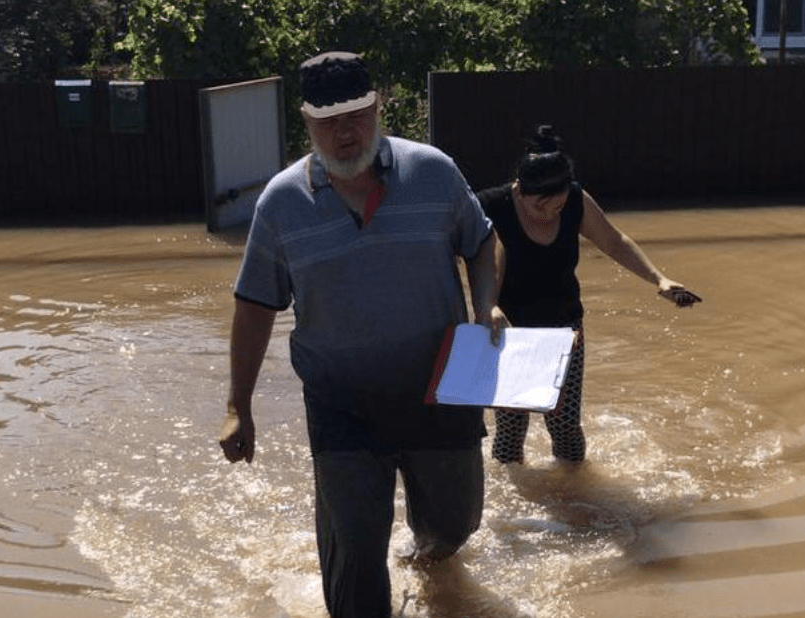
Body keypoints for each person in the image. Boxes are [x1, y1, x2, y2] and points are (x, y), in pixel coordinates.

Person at [217, 51, 507, 618]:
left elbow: (482, 243)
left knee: (454, 527)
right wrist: (237, 406)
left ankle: (424, 561)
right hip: (341, 405)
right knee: (354, 554)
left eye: (355, 116)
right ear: (307, 122)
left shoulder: (433, 171)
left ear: (378, 109)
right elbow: (253, 307)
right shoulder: (281, 203)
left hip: (441, 391)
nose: (344, 132)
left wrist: (488, 305)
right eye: (329, 121)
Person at [476, 125, 701, 465]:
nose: (551, 214)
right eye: (541, 207)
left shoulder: (576, 200)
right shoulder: (491, 206)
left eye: (558, 206)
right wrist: (486, 306)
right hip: (510, 331)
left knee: (565, 426)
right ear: (519, 190)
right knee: (510, 431)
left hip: (564, 329)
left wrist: (659, 279)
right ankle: (514, 494)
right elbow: (467, 256)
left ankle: (574, 489)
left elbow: (614, 242)